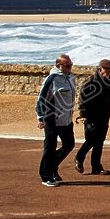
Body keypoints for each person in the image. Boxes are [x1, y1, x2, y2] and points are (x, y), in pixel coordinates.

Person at [36, 54, 76, 187]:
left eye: (71, 65)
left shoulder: (70, 78)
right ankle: (46, 175)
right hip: (51, 119)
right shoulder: (52, 79)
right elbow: (42, 98)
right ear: (59, 66)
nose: (70, 67)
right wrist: (40, 117)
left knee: (69, 144)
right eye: (67, 65)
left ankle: (52, 167)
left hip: (66, 119)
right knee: (49, 148)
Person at [75, 59, 110, 175]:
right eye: (106, 69)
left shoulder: (109, 82)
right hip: (91, 117)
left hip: (104, 117)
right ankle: (79, 158)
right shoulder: (91, 82)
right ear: (99, 69)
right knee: (90, 140)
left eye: (109, 70)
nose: (108, 72)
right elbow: (82, 99)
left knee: (99, 142)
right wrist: (83, 115)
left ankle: (96, 166)